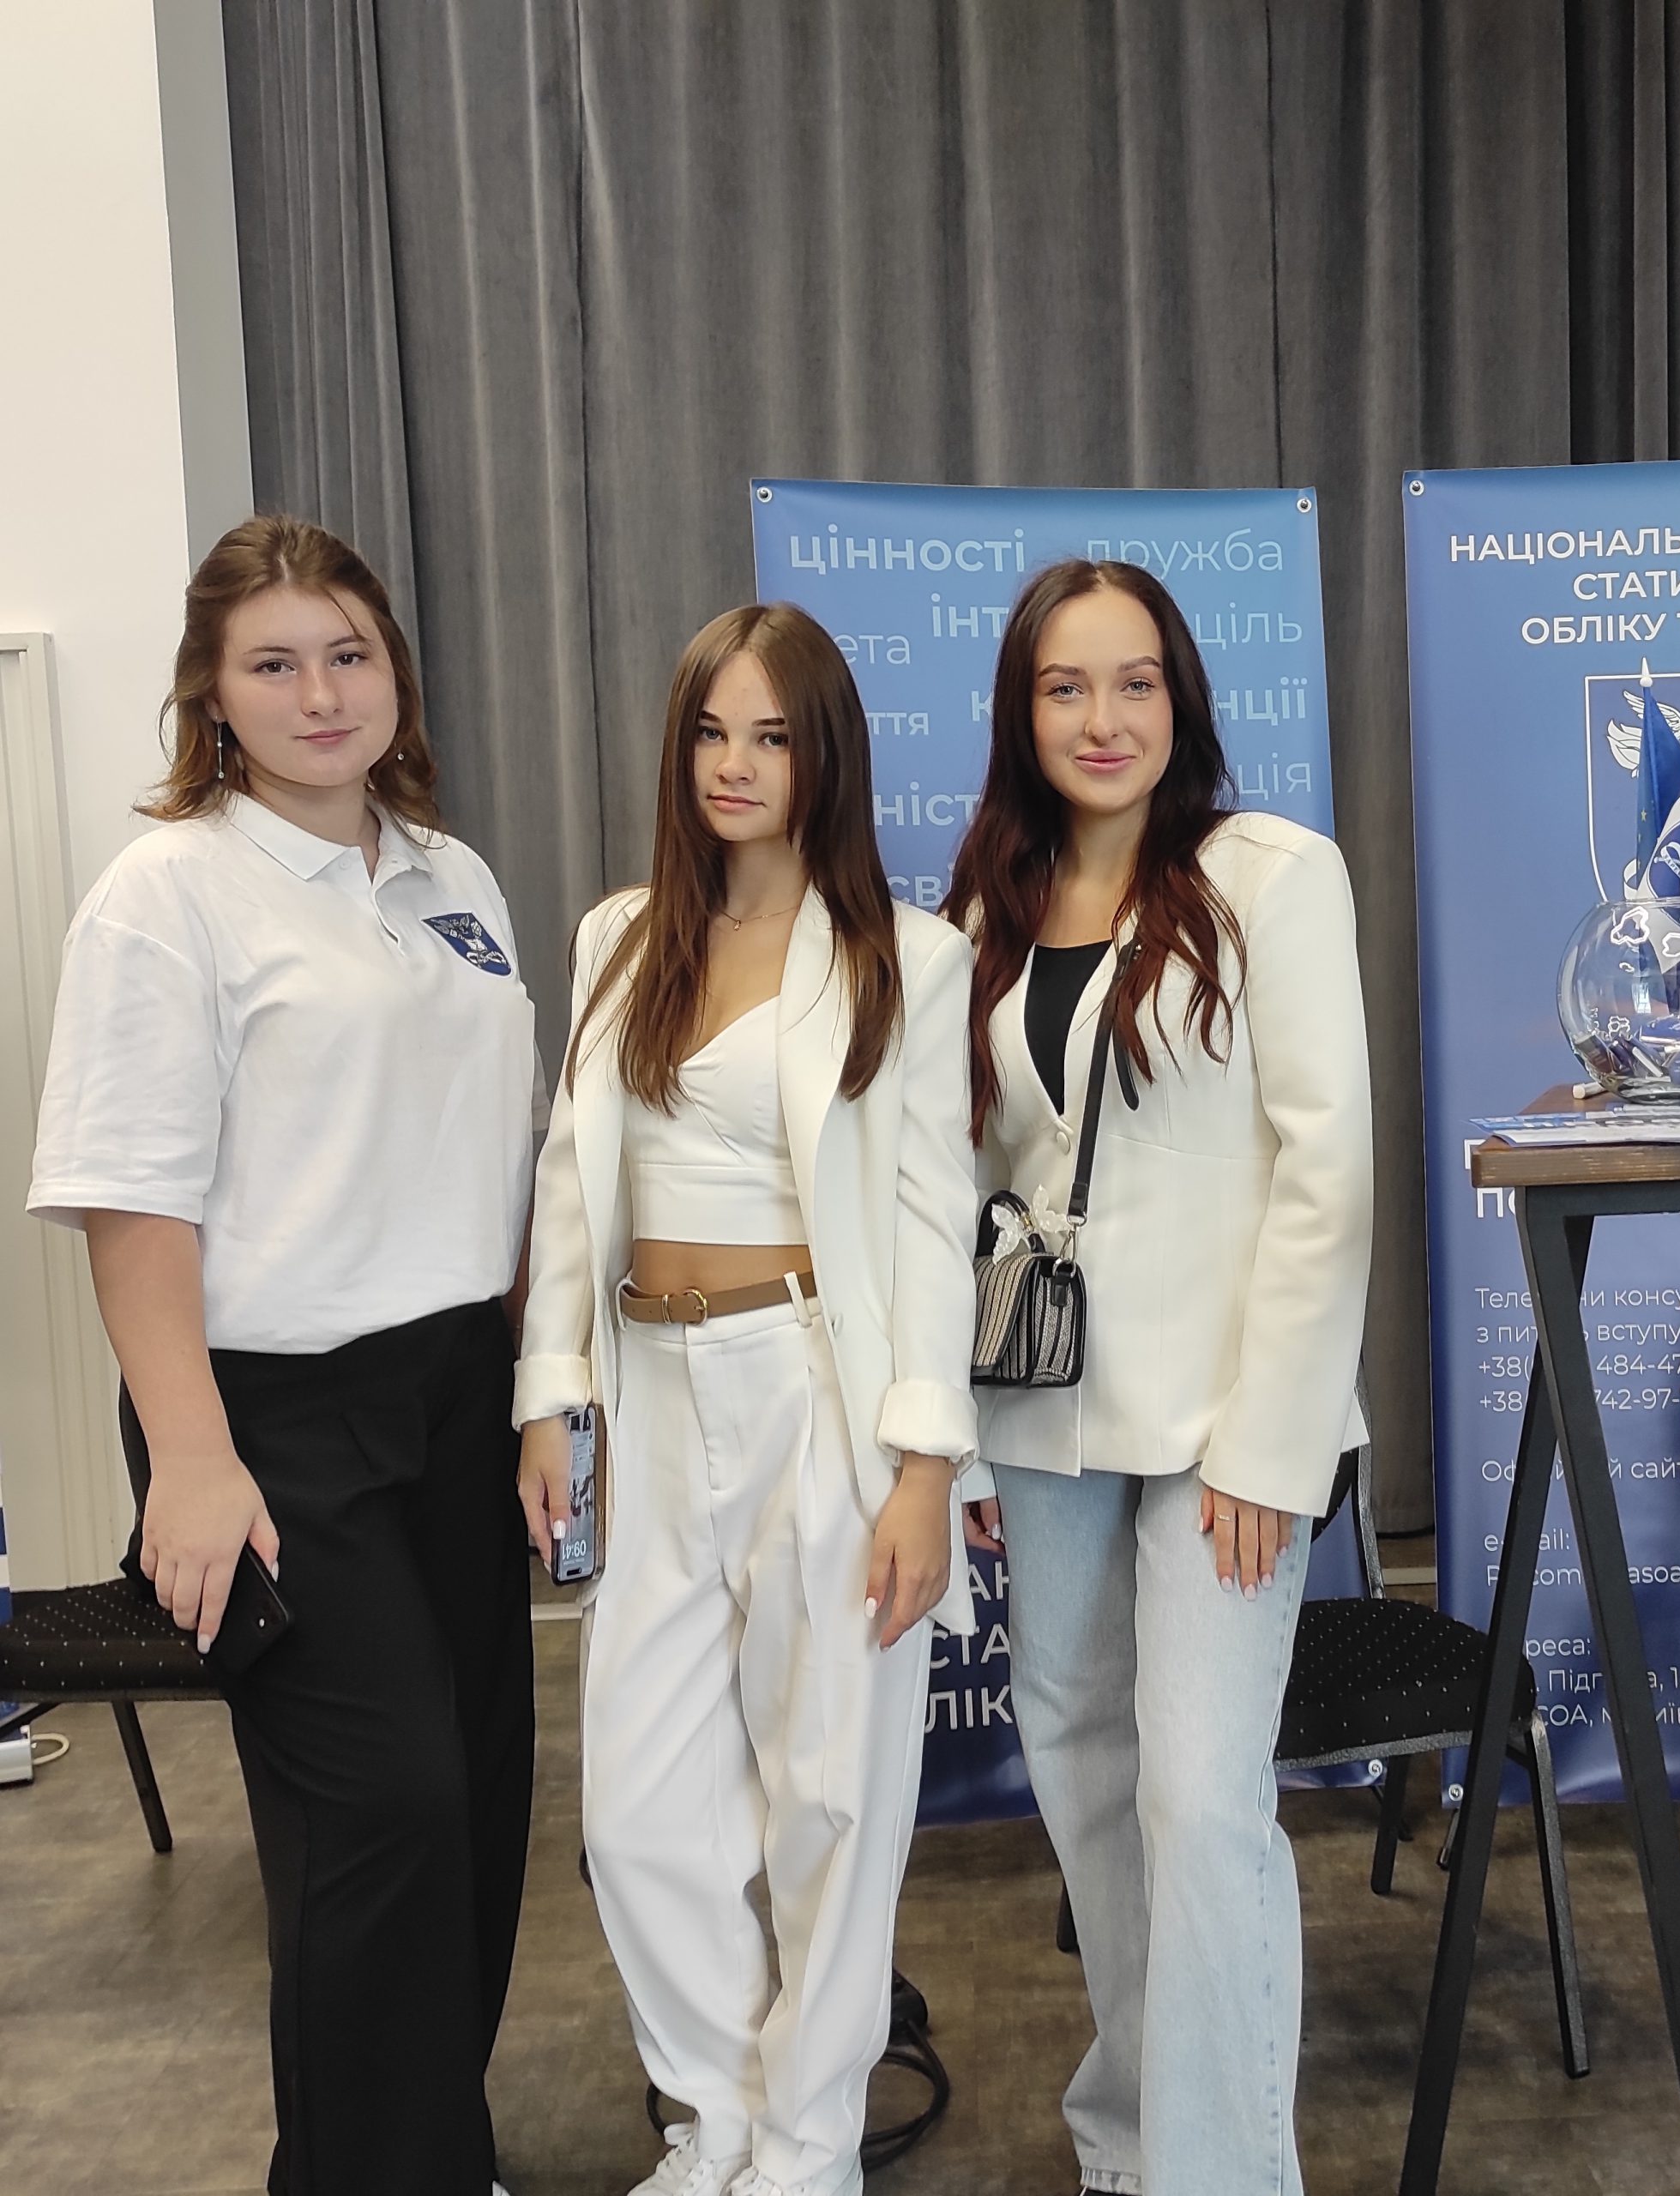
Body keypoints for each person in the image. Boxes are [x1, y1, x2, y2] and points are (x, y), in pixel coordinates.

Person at [27, 516, 539, 2195]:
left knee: (478, 1797)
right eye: (274, 662)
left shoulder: (451, 877)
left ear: (395, 671)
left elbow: (493, 1160)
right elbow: (130, 1199)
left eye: (348, 654)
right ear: (212, 693)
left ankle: (430, 2147)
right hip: (270, 1418)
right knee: (381, 1815)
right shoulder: (166, 893)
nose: (321, 694)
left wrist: (538, 1397)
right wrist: (188, 1455)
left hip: (460, 1389)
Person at [515, 602, 979, 2196]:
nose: (735, 764)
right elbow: (570, 1181)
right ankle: (712, 2121)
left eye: (772, 736)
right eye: (711, 731)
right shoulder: (617, 937)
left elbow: (932, 1225)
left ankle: (807, 2146)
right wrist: (549, 1394)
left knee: (830, 1798)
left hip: (815, 1393)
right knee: (642, 1811)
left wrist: (924, 1466)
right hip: (650, 1393)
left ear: (824, 753)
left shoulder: (906, 956)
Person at [942, 558, 1374, 2196]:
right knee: (1088, 1785)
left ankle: (1227, 2171)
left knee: (1199, 1801)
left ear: (1181, 696)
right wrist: (957, 1443)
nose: (1104, 717)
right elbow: (965, 1179)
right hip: (1043, 1411)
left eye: (1134, 682)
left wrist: (1276, 1440)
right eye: (1067, 687)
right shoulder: (985, 905)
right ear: (1023, 710)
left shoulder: (1271, 876)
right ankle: (1130, 2138)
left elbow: (1327, 1169)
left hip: (1222, 1423)